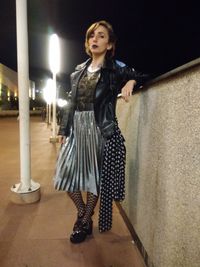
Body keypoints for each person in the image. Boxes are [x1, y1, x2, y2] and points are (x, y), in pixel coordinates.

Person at [53, 20, 148, 244]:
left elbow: (143, 75)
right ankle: (84, 212)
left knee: (93, 178)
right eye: (92, 36)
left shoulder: (115, 69)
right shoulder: (78, 72)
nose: (95, 39)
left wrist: (131, 81)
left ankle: (84, 222)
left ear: (109, 44)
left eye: (101, 36)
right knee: (65, 175)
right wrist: (64, 129)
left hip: (99, 129)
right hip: (77, 127)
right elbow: (71, 102)